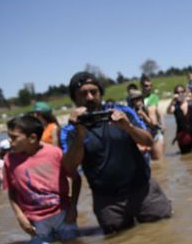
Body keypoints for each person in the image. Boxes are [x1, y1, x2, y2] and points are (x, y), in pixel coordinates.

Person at [62, 72, 172, 234]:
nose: (90, 97)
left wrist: (127, 127)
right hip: (108, 202)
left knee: (164, 232)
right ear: (75, 99)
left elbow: (148, 141)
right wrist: (80, 134)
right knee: (117, 241)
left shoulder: (122, 112)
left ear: (100, 93)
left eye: (94, 92)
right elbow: (70, 167)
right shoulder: (70, 130)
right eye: (83, 94)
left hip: (144, 190)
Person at [3, 115, 80, 244]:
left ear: (32, 138)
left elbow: (76, 179)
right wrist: (20, 217)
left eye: (14, 138)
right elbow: (12, 191)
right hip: (35, 220)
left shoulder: (55, 153)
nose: (10, 141)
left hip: (63, 214)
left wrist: (73, 208)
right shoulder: (9, 160)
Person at [167, 84, 192, 154]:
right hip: (182, 136)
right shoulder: (175, 106)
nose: (180, 94)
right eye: (177, 92)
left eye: (182, 92)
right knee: (186, 156)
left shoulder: (191, 102)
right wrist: (172, 100)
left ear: (185, 92)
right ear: (175, 94)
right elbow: (168, 111)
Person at [140, 75, 165, 160]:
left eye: (150, 86)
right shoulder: (137, 98)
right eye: (146, 86)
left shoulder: (154, 97)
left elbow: (158, 111)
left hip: (155, 129)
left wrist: (163, 124)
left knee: (159, 160)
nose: (149, 88)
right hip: (144, 131)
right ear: (141, 86)